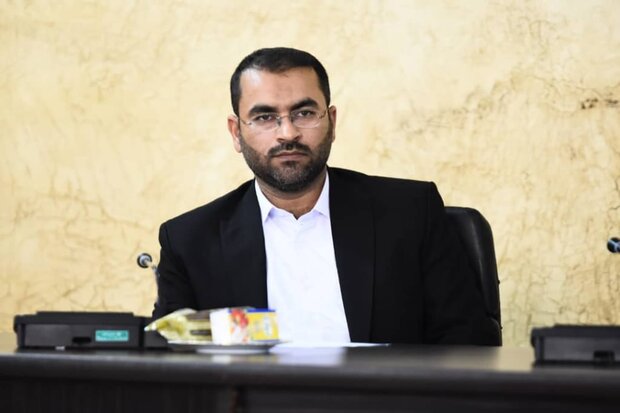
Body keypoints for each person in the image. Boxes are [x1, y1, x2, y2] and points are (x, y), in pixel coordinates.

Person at [153, 47, 498, 345]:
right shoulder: (190, 241)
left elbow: (467, 342)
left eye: (304, 113)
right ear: (236, 132)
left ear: (331, 122)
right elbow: (168, 361)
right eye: (265, 117)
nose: (287, 133)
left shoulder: (409, 214)